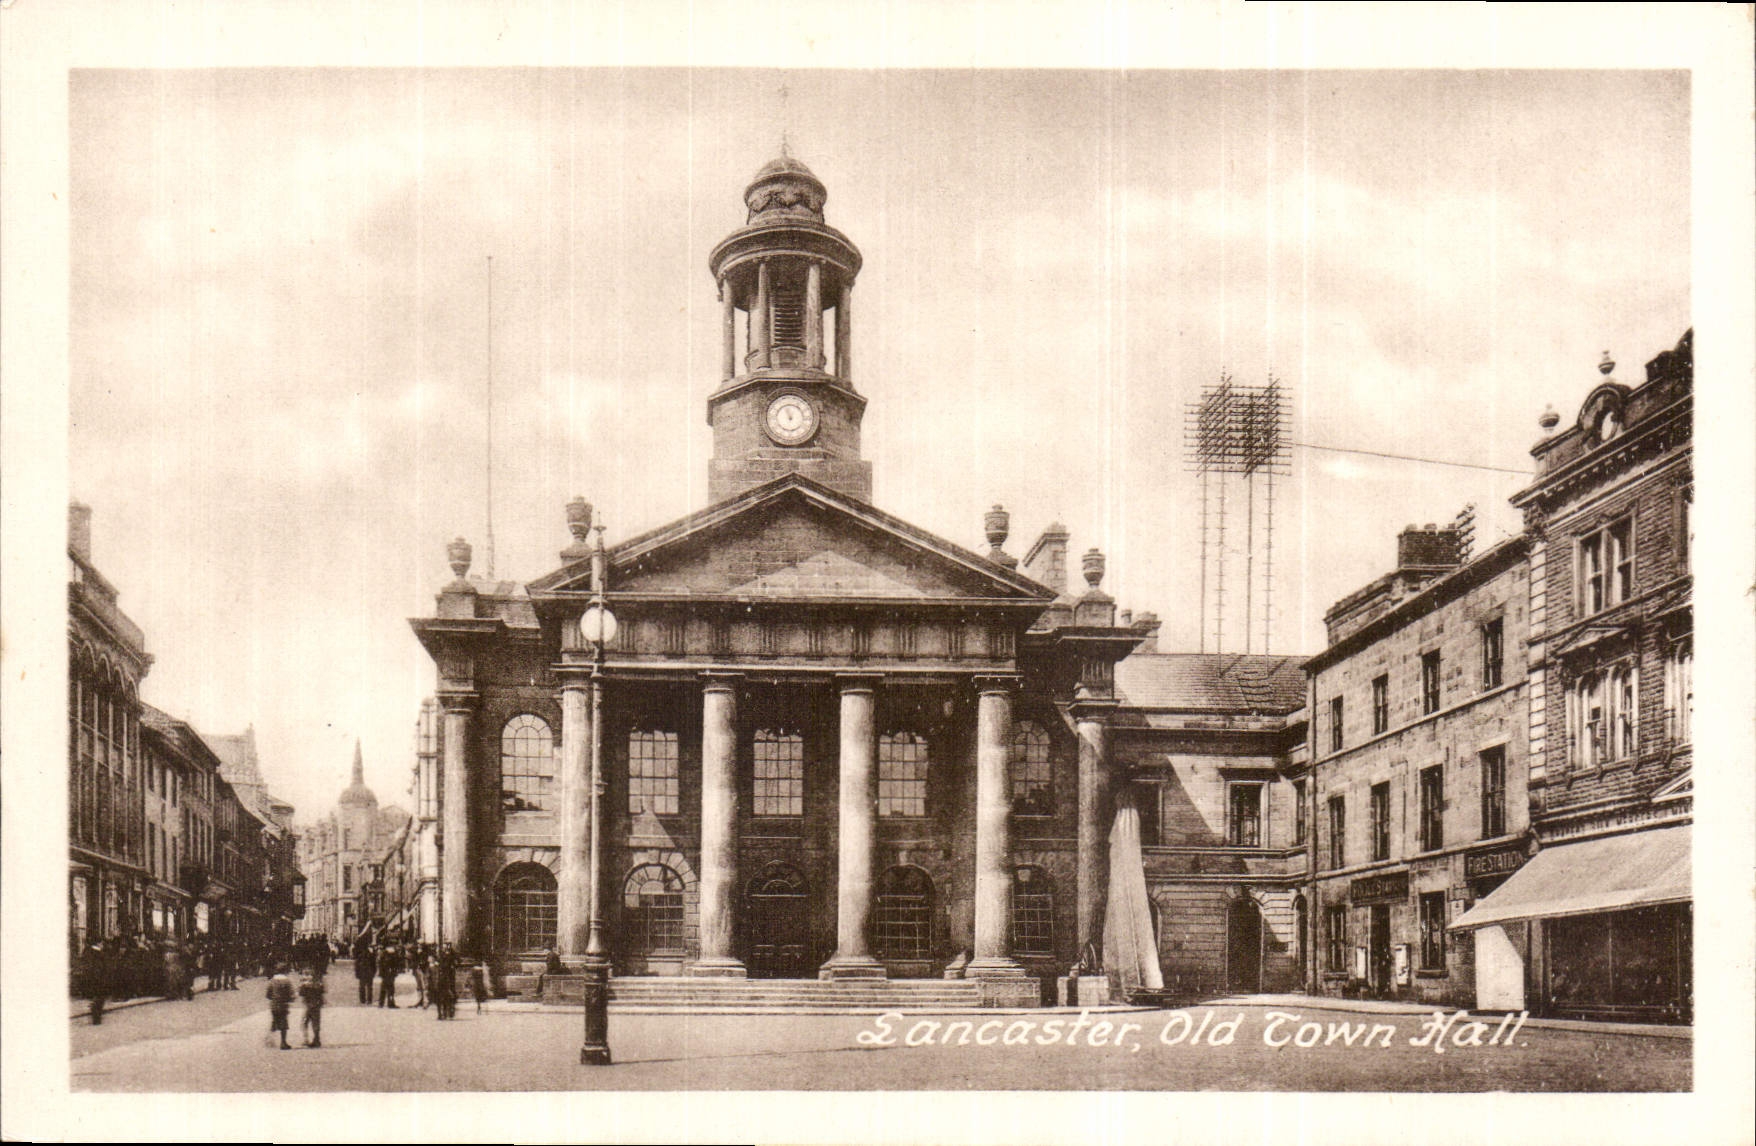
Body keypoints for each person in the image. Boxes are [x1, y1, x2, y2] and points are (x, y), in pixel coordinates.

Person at [265, 963, 296, 1050]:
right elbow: (291, 994)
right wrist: (290, 999)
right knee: (283, 1024)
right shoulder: (287, 981)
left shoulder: (272, 981)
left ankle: (269, 1039)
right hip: (283, 1005)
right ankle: (283, 1042)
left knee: (274, 1021)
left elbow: (268, 994)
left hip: (274, 1005)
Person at [299, 972, 326, 1048]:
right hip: (316, 1006)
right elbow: (322, 994)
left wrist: (302, 985)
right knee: (316, 1023)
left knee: (304, 1023)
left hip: (307, 1006)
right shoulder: (319, 985)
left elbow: (301, 993)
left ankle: (305, 1039)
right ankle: (316, 1039)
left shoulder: (305, 986)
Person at [432, 943, 458, 1021]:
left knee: (449, 994)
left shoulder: (452, 955)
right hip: (441, 978)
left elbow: (455, 963)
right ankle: (441, 1013)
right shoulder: (441, 955)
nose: (445, 948)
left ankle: (448, 1011)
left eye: (447, 946)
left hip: (448, 978)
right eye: (444, 947)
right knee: (440, 995)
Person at [376, 941, 402, 1008]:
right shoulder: (392, 954)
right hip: (389, 973)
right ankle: (390, 1003)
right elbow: (395, 963)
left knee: (384, 988)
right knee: (390, 988)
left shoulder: (383, 953)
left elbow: (379, 963)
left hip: (385, 973)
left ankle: (381, 1003)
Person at [354, 936, 376, 1005]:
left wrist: (357, 973)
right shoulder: (371, 954)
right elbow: (374, 964)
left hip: (362, 972)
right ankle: (369, 1000)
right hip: (369, 972)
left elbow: (357, 964)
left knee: (362, 986)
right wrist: (374, 972)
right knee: (369, 987)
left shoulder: (360, 955)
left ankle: (362, 999)